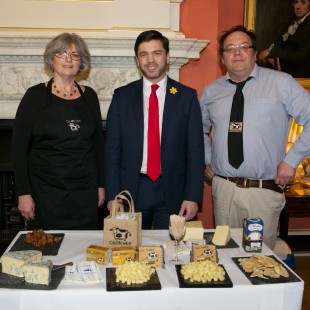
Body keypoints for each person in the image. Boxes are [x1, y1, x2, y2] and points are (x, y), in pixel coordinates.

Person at [200, 25, 310, 249]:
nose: (237, 52)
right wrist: (207, 157)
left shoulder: (281, 83)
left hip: (262, 192)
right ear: (222, 58)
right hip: (224, 190)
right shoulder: (211, 91)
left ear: (253, 52)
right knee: (225, 254)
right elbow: (197, 130)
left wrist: (291, 161)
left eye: (243, 47)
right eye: (230, 49)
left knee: (258, 261)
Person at [104, 30, 205, 229]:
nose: (150, 60)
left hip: (173, 192)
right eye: (144, 54)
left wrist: (192, 196)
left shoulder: (186, 97)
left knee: (169, 251)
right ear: (137, 59)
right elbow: (111, 151)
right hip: (132, 192)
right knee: (130, 253)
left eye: (157, 53)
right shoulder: (121, 97)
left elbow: (195, 152)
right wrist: (113, 195)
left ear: (167, 56)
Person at [12, 33, 105, 230]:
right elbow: (18, 149)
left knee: (83, 251)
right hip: (45, 193)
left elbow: (98, 144)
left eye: (75, 54)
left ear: (82, 62)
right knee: (48, 252)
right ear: (51, 58)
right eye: (62, 53)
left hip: (84, 192)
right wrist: (23, 193)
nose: (68, 59)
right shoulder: (34, 96)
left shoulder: (90, 97)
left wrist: (101, 185)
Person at [258, 0, 310, 77]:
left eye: (303, 2)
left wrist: (273, 53)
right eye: (296, 2)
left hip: (299, 75)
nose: (298, 7)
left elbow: (301, 58)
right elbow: (279, 42)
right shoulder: (292, 23)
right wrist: (270, 53)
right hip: (284, 70)